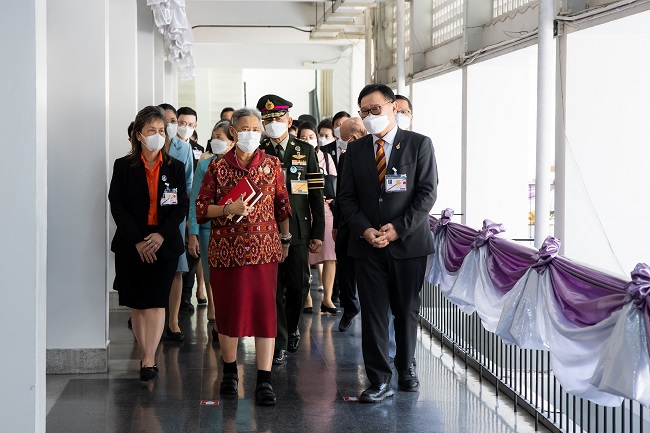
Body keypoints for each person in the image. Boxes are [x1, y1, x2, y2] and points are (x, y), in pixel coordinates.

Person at [338, 84, 438, 403]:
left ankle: (406, 367)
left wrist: (398, 229)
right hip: (367, 246)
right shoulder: (355, 150)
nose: (370, 116)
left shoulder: (419, 144)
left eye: (375, 109)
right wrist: (365, 229)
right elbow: (346, 198)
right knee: (374, 314)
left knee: (406, 310)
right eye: (364, 111)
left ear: (393, 107)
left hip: (408, 245)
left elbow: (427, 194)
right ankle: (379, 380)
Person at [196, 108, 292, 406]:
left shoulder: (272, 164)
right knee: (228, 312)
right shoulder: (217, 166)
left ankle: (264, 380)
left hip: (264, 251)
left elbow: (282, 205)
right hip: (226, 251)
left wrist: (285, 239)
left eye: (255, 129)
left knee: (265, 315)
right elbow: (201, 208)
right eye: (245, 129)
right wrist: (228, 209)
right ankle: (229, 373)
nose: (250, 134)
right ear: (234, 133)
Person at [109, 105, 188, 381]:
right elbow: (117, 206)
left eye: (162, 130)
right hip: (132, 244)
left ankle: (149, 359)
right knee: (138, 303)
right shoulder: (123, 166)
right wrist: (138, 241)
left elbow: (180, 206)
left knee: (155, 301)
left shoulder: (175, 167)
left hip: (164, 244)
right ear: (138, 135)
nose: (158, 135)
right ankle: (145, 352)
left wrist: (161, 235)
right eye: (151, 130)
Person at [258, 94, 325, 365]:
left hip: (298, 226)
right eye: (268, 119)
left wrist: (317, 232)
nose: (273, 123)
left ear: (289, 120)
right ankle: (280, 340)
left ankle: (292, 324)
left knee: (298, 285)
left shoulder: (305, 150)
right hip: (265, 229)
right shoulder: (259, 150)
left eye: (278, 118)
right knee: (272, 287)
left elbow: (316, 195)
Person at [188, 120, 234, 331]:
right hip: (208, 228)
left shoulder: (239, 163)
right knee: (210, 271)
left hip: (234, 228)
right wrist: (193, 233)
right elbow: (195, 201)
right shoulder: (204, 165)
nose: (215, 141)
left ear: (232, 141)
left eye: (220, 138)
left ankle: (231, 308)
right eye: (213, 137)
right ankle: (213, 307)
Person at [159, 104, 194, 340]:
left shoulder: (184, 148)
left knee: (177, 268)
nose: (170, 125)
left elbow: (189, 185)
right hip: (152, 216)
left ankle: (173, 321)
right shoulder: (147, 147)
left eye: (173, 121)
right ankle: (149, 314)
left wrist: (189, 218)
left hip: (176, 217)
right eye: (165, 120)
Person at [297, 123, 338, 315]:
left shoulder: (326, 158)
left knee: (330, 254)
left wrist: (331, 197)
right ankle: (306, 297)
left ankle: (327, 299)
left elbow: (335, 183)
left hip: (324, 209)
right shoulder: (294, 157)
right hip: (301, 208)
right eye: (303, 137)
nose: (307, 140)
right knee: (302, 255)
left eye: (311, 136)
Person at [334, 117, 366, 332]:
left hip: (371, 222)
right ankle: (350, 307)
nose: (341, 143)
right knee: (344, 269)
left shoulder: (376, 153)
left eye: (343, 138)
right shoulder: (345, 157)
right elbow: (341, 193)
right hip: (346, 221)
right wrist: (336, 223)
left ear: (352, 138)